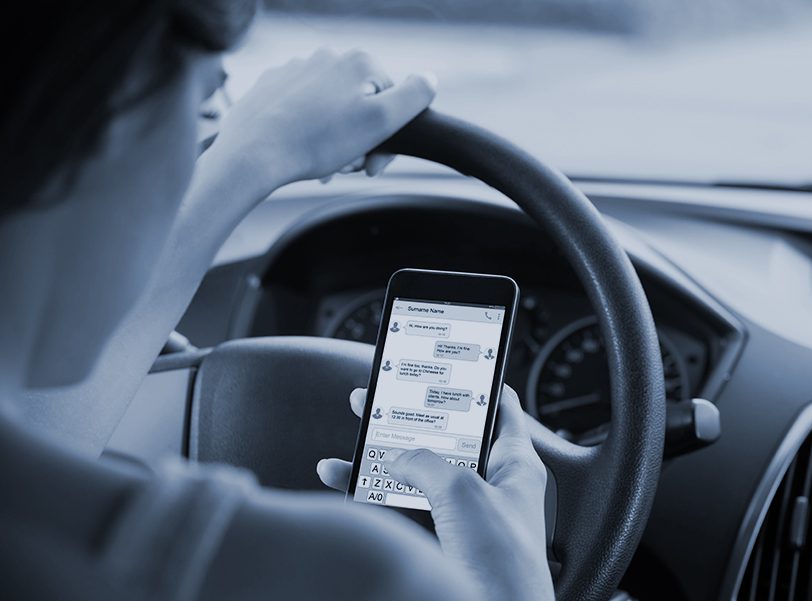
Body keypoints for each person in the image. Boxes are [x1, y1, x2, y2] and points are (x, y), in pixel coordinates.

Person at [0, 2, 554, 601]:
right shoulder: (364, 580)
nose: (204, 146)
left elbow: (37, 429)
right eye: (203, 107)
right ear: (107, 120)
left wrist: (251, 157)